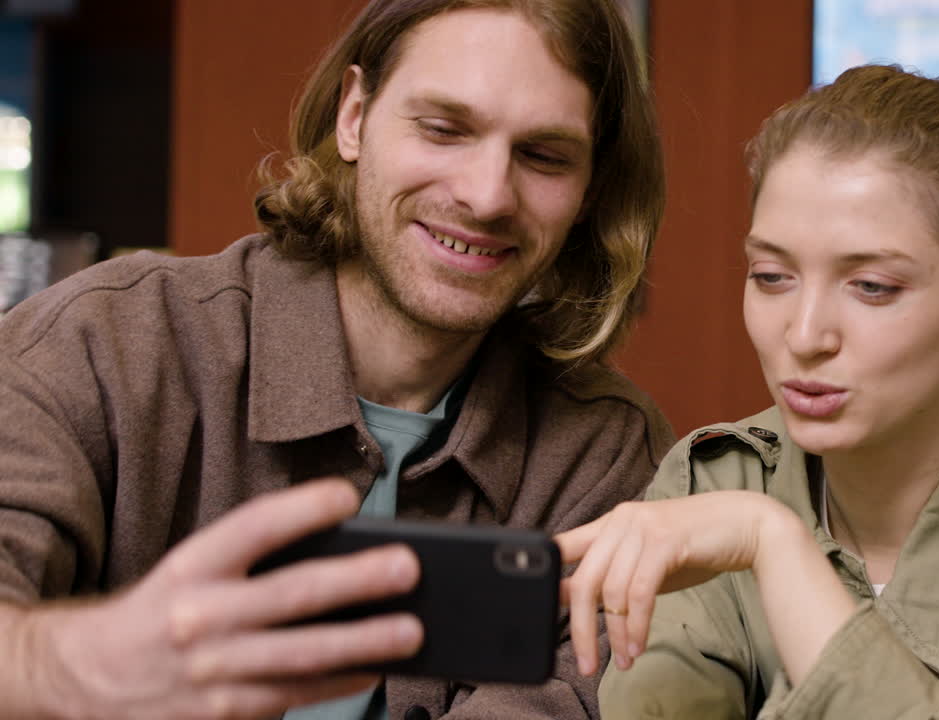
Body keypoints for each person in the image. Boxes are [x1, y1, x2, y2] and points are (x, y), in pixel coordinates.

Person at [0, 1, 673, 718]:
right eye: (443, 129)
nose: (486, 197)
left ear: (589, 190)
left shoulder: (605, 455)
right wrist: (76, 665)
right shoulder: (104, 344)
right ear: (354, 116)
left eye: (544, 156)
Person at [558, 65, 939, 718]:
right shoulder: (711, 482)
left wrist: (774, 544)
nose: (805, 335)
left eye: (872, 287)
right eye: (771, 276)